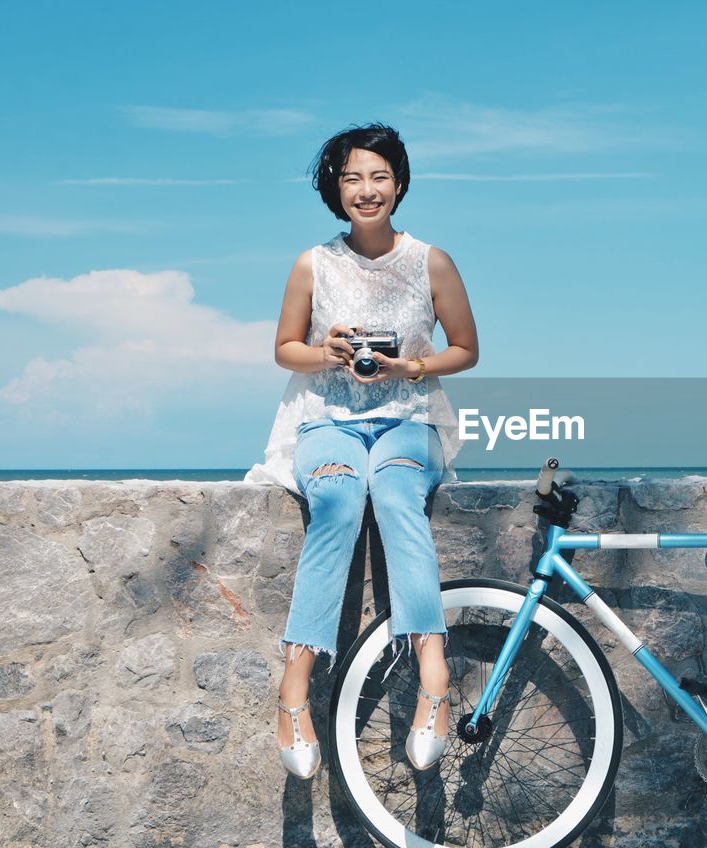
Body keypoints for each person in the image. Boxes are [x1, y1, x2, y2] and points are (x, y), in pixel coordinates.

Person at [245, 123, 478, 779]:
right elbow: (284, 348)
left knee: (399, 492)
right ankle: (295, 688)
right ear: (334, 188)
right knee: (341, 500)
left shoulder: (432, 261)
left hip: (410, 417)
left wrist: (410, 368)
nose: (366, 189)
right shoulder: (311, 264)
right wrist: (329, 352)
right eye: (352, 177)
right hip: (326, 420)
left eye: (379, 176)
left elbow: (465, 348)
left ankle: (434, 672)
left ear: (399, 184)